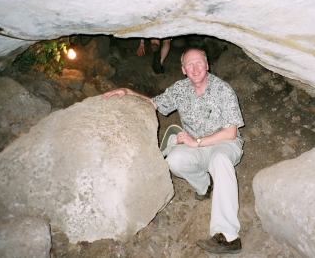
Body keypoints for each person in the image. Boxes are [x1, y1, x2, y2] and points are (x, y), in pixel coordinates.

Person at [102, 49, 244, 254]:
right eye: (189, 65)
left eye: (198, 63)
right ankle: (205, 186)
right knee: (174, 160)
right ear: (183, 70)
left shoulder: (222, 89)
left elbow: (230, 132)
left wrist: (196, 142)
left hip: (223, 144)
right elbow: (153, 103)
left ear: (207, 65)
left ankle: (228, 236)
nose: (195, 68)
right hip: (197, 146)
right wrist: (128, 92)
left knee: (220, 160)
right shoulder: (180, 89)